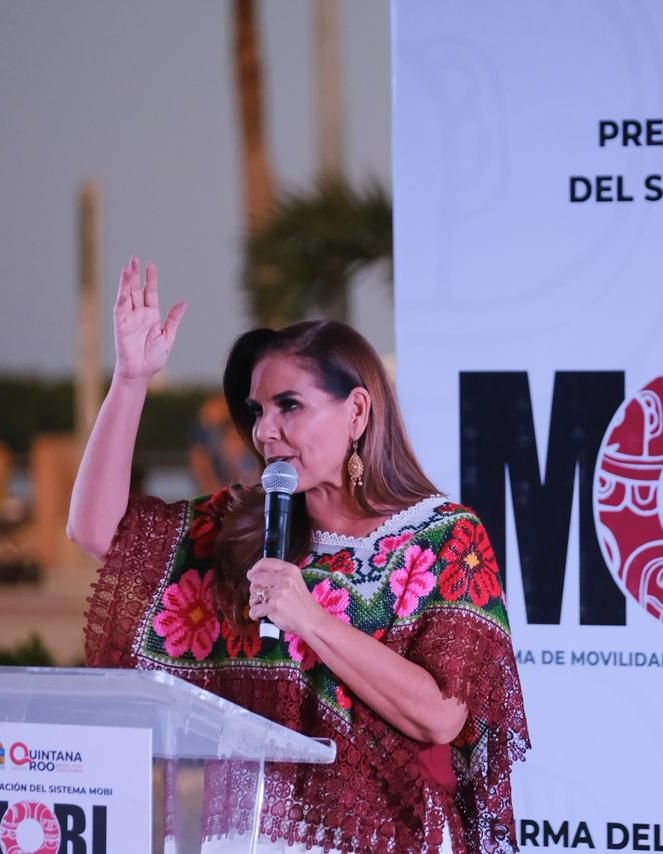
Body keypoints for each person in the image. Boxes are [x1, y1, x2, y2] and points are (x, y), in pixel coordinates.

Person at [69, 257, 529, 853]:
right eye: (259, 412)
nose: (265, 431)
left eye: (290, 406)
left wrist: (309, 617)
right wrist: (130, 381)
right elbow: (98, 530)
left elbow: (442, 716)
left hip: (386, 839)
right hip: (248, 833)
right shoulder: (239, 527)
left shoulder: (442, 538)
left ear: (357, 412)